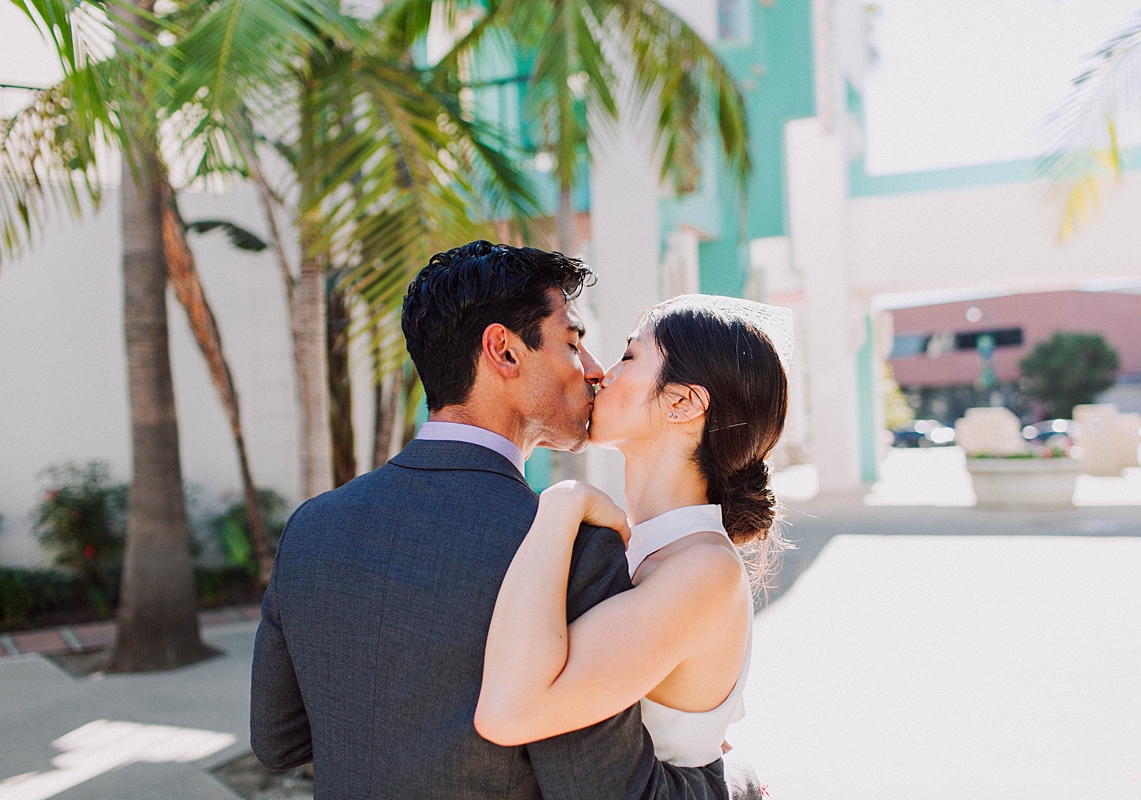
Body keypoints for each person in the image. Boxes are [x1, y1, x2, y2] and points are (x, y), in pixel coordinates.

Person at [250, 241, 739, 799]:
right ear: (504, 352)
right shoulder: (571, 551)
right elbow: (600, 790)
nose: (595, 370)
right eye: (573, 344)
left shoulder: (312, 528)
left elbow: (277, 741)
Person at [474, 294, 790, 791]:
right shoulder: (652, 548)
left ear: (682, 401)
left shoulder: (704, 567)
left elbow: (508, 713)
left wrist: (561, 504)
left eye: (629, 357)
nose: (601, 375)